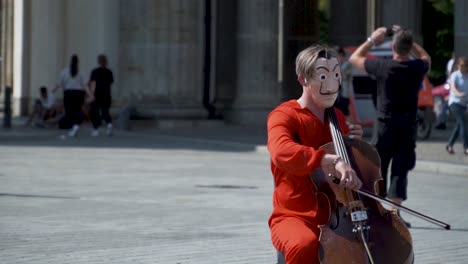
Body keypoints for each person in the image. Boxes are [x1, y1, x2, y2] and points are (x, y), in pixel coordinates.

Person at [267, 44, 364, 264]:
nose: (332, 84)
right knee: (304, 244)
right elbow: (281, 150)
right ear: (303, 79)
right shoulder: (284, 115)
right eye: (323, 76)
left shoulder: (337, 117)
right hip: (293, 215)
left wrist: (354, 144)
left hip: (339, 214)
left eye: (336, 75)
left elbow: (351, 167)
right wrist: (327, 159)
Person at [349, 26, 431, 226]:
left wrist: (373, 39)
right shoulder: (417, 67)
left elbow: (355, 58)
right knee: (401, 168)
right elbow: (426, 57)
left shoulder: (382, 66)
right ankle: (396, 214)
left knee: (378, 165)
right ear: (409, 47)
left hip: (385, 123)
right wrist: (408, 41)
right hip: (408, 124)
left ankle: (377, 210)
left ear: (393, 46)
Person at [55, 54, 94, 138]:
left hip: (68, 93)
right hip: (79, 94)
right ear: (78, 62)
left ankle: (74, 126)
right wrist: (90, 94)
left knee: (68, 112)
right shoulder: (81, 72)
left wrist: (53, 90)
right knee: (77, 111)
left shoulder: (64, 71)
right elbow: (85, 85)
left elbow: (59, 84)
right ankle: (75, 126)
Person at [445, 56, 468, 155]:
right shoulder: (455, 75)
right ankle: (466, 147)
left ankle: (449, 145)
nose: (461, 67)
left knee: (459, 125)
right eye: (460, 65)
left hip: (464, 104)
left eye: (464, 66)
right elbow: (453, 87)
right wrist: (458, 93)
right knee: (463, 123)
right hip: (454, 102)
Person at [89, 54, 114, 137]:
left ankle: (95, 129)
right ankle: (109, 124)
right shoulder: (109, 72)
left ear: (98, 61)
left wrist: (91, 94)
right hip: (106, 94)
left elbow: (93, 83)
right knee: (105, 111)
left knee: (94, 111)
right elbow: (110, 84)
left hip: (97, 94)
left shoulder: (95, 71)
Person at [436, 52, 456, 130]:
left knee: (445, 106)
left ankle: (443, 122)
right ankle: (442, 122)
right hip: (449, 87)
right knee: (444, 106)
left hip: (453, 91)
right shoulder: (451, 63)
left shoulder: (456, 74)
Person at [333, 46, 353, 118]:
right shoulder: (332, 65)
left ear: (342, 56)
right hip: (334, 94)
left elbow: (343, 75)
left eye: (337, 55)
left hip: (344, 93)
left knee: (345, 113)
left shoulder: (347, 65)